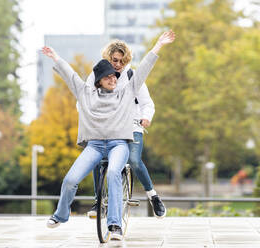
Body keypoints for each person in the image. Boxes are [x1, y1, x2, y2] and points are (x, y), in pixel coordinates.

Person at [42, 30, 175, 242]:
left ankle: (115, 225)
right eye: (109, 75)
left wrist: (158, 45)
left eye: (116, 74)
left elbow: (144, 70)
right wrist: (55, 57)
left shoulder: (126, 90)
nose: (114, 77)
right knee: (70, 180)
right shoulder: (86, 92)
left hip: (118, 143)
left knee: (115, 171)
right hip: (94, 145)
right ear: (98, 80)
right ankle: (61, 215)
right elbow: (70, 75)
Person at [84, 40, 166, 219]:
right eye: (114, 60)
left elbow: (147, 103)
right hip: (108, 127)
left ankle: (153, 196)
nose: (118, 65)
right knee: (97, 160)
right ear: (108, 58)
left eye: (122, 61)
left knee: (134, 161)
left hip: (131, 126)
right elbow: (83, 99)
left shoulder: (131, 76)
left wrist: (146, 117)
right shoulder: (96, 76)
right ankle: (99, 201)